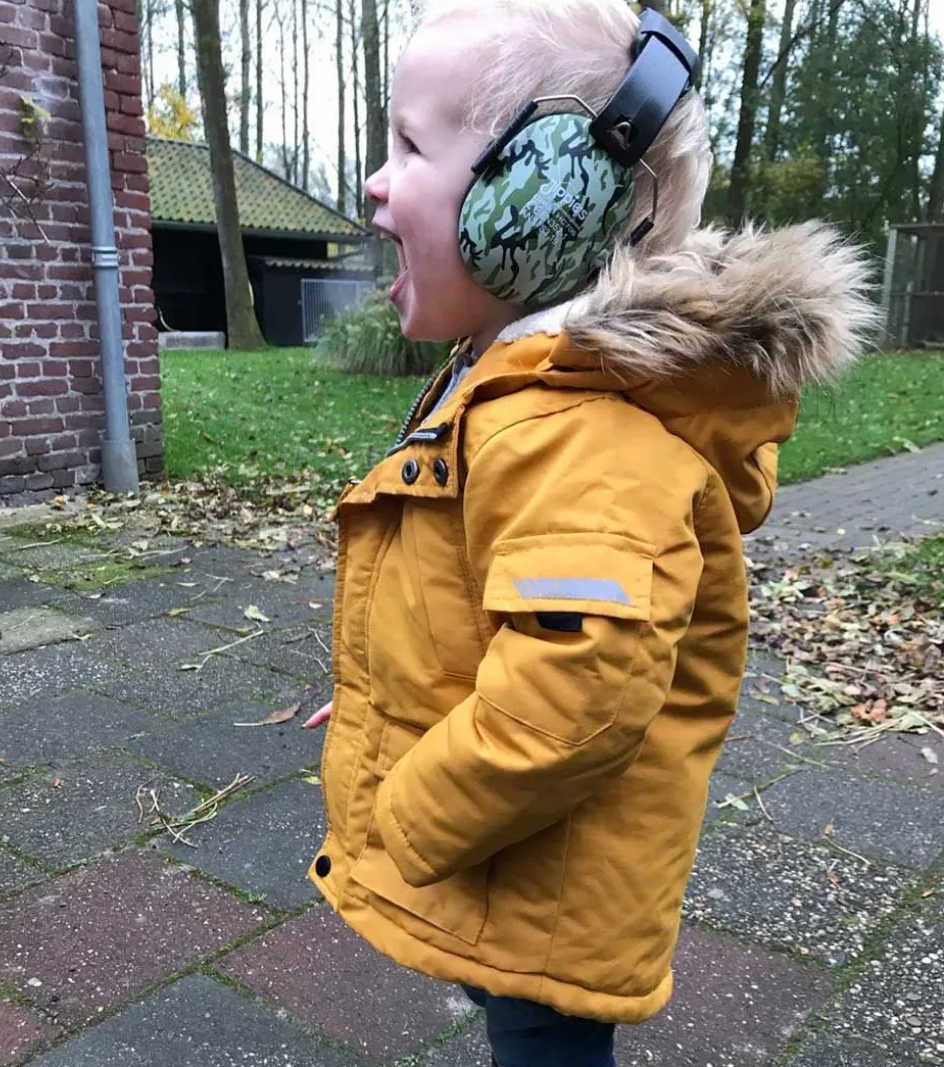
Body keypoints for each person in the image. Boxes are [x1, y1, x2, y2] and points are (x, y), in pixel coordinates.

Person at [303, 1, 875, 1065]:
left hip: (550, 898)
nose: (377, 182)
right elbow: (490, 596)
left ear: (543, 191)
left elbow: (573, 696)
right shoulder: (521, 388)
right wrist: (392, 689)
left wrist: (402, 814)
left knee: (542, 1043)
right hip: (518, 858)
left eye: (411, 147)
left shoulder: (588, 440)